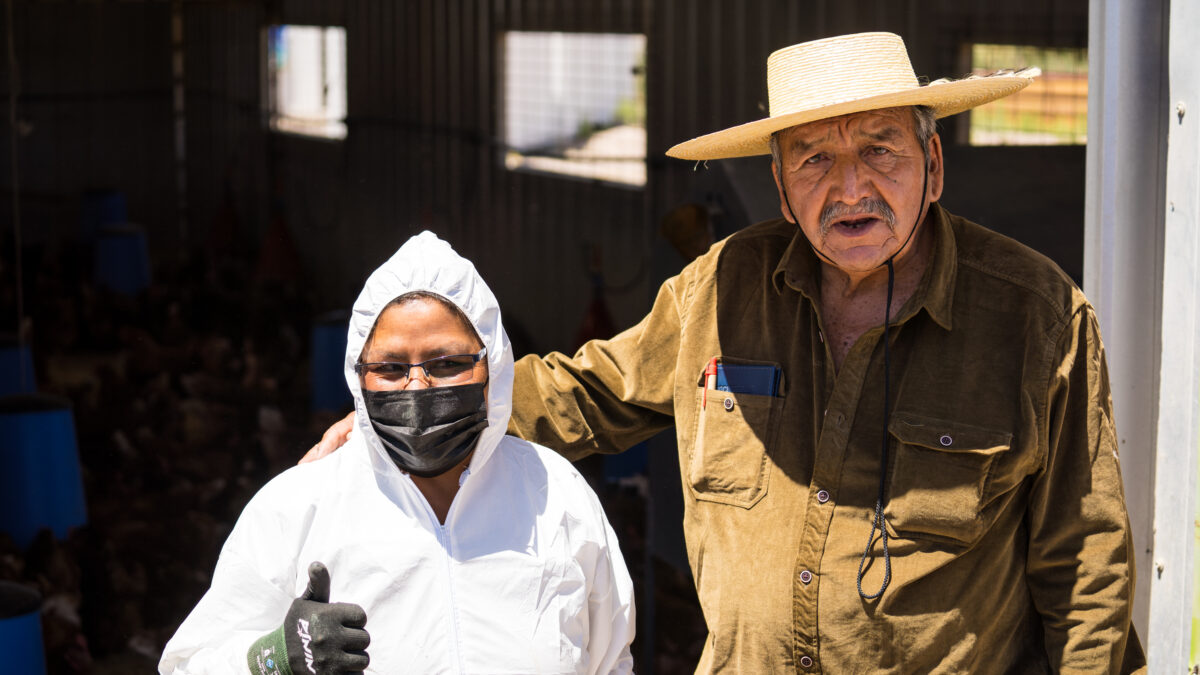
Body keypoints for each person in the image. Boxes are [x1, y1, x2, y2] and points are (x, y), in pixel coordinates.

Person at [306, 32, 1144, 672]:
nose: (849, 186)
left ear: (932, 163)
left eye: (880, 148)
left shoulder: (1037, 315)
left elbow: (1086, 565)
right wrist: (412, 417)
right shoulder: (721, 287)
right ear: (780, 186)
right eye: (815, 157)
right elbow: (586, 393)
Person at [161, 232, 635, 674]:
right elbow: (190, 664)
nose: (417, 386)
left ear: (493, 365)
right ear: (357, 376)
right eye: (389, 368)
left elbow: (611, 659)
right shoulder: (297, 507)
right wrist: (275, 659)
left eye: (446, 364)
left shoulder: (554, 496)